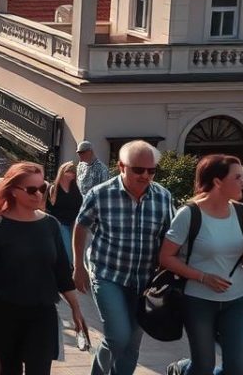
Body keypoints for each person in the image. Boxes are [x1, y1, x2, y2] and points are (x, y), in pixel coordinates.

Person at [73, 140, 173, 375]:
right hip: (109, 274)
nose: (145, 175)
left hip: (145, 281)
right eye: (138, 170)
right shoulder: (100, 194)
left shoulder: (163, 197)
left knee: (132, 345)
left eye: (151, 170)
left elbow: (171, 237)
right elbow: (80, 226)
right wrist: (78, 266)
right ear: (121, 167)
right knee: (118, 336)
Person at [0, 162, 85, 375]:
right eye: (31, 189)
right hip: (4, 311)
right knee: (10, 369)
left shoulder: (50, 225)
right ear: (14, 192)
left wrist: (76, 309)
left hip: (42, 311)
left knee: (40, 369)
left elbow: (62, 272)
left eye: (43, 187)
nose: (39, 194)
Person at [160, 154, 243, 375]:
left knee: (237, 367)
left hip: (236, 300)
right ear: (217, 182)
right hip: (198, 301)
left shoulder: (240, 212)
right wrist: (203, 277)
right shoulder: (189, 214)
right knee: (203, 367)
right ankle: (180, 368)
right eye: (237, 177)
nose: (242, 182)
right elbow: (166, 257)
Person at [45, 161, 82, 258]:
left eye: (73, 172)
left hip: (74, 223)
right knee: (68, 252)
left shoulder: (75, 189)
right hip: (60, 223)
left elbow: (79, 206)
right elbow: (46, 208)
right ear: (62, 172)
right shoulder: (53, 188)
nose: (71, 174)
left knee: (77, 251)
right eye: (68, 172)